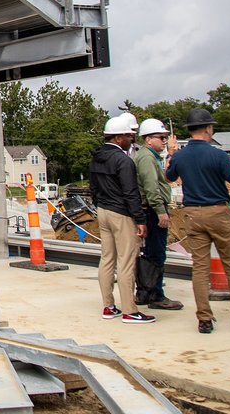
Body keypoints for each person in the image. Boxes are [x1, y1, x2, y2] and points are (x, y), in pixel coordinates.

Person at [165, 107, 230, 333]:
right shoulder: (218, 155)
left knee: (200, 268)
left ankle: (204, 319)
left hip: (193, 214)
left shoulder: (180, 156)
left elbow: (168, 177)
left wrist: (170, 153)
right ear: (208, 128)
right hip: (218, 212)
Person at [90, 116, 155, 323]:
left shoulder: (96, 158)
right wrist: (140, 219)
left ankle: (108, 306)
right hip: (121, 214)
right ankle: (129, 310)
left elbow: (93, 188)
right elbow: (131, 192)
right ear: (118, 138)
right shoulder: (123, 161)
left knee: (107, 258)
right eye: (128, 135)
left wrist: (99, 204)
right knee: (126, 261)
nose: (131, 139)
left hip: (103, 211)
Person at [134, 118, 183, 309]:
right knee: (156, 254)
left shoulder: (149, 156)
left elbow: (160, 178)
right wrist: (161, 211)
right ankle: (156, 295)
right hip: (152, 212)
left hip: (149, 210)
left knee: (149, 254)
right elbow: (151, 187)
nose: (164, 140)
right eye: (160, 137)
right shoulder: (146, 158)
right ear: (148, 139)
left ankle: (145, 292)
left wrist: (170, 155)